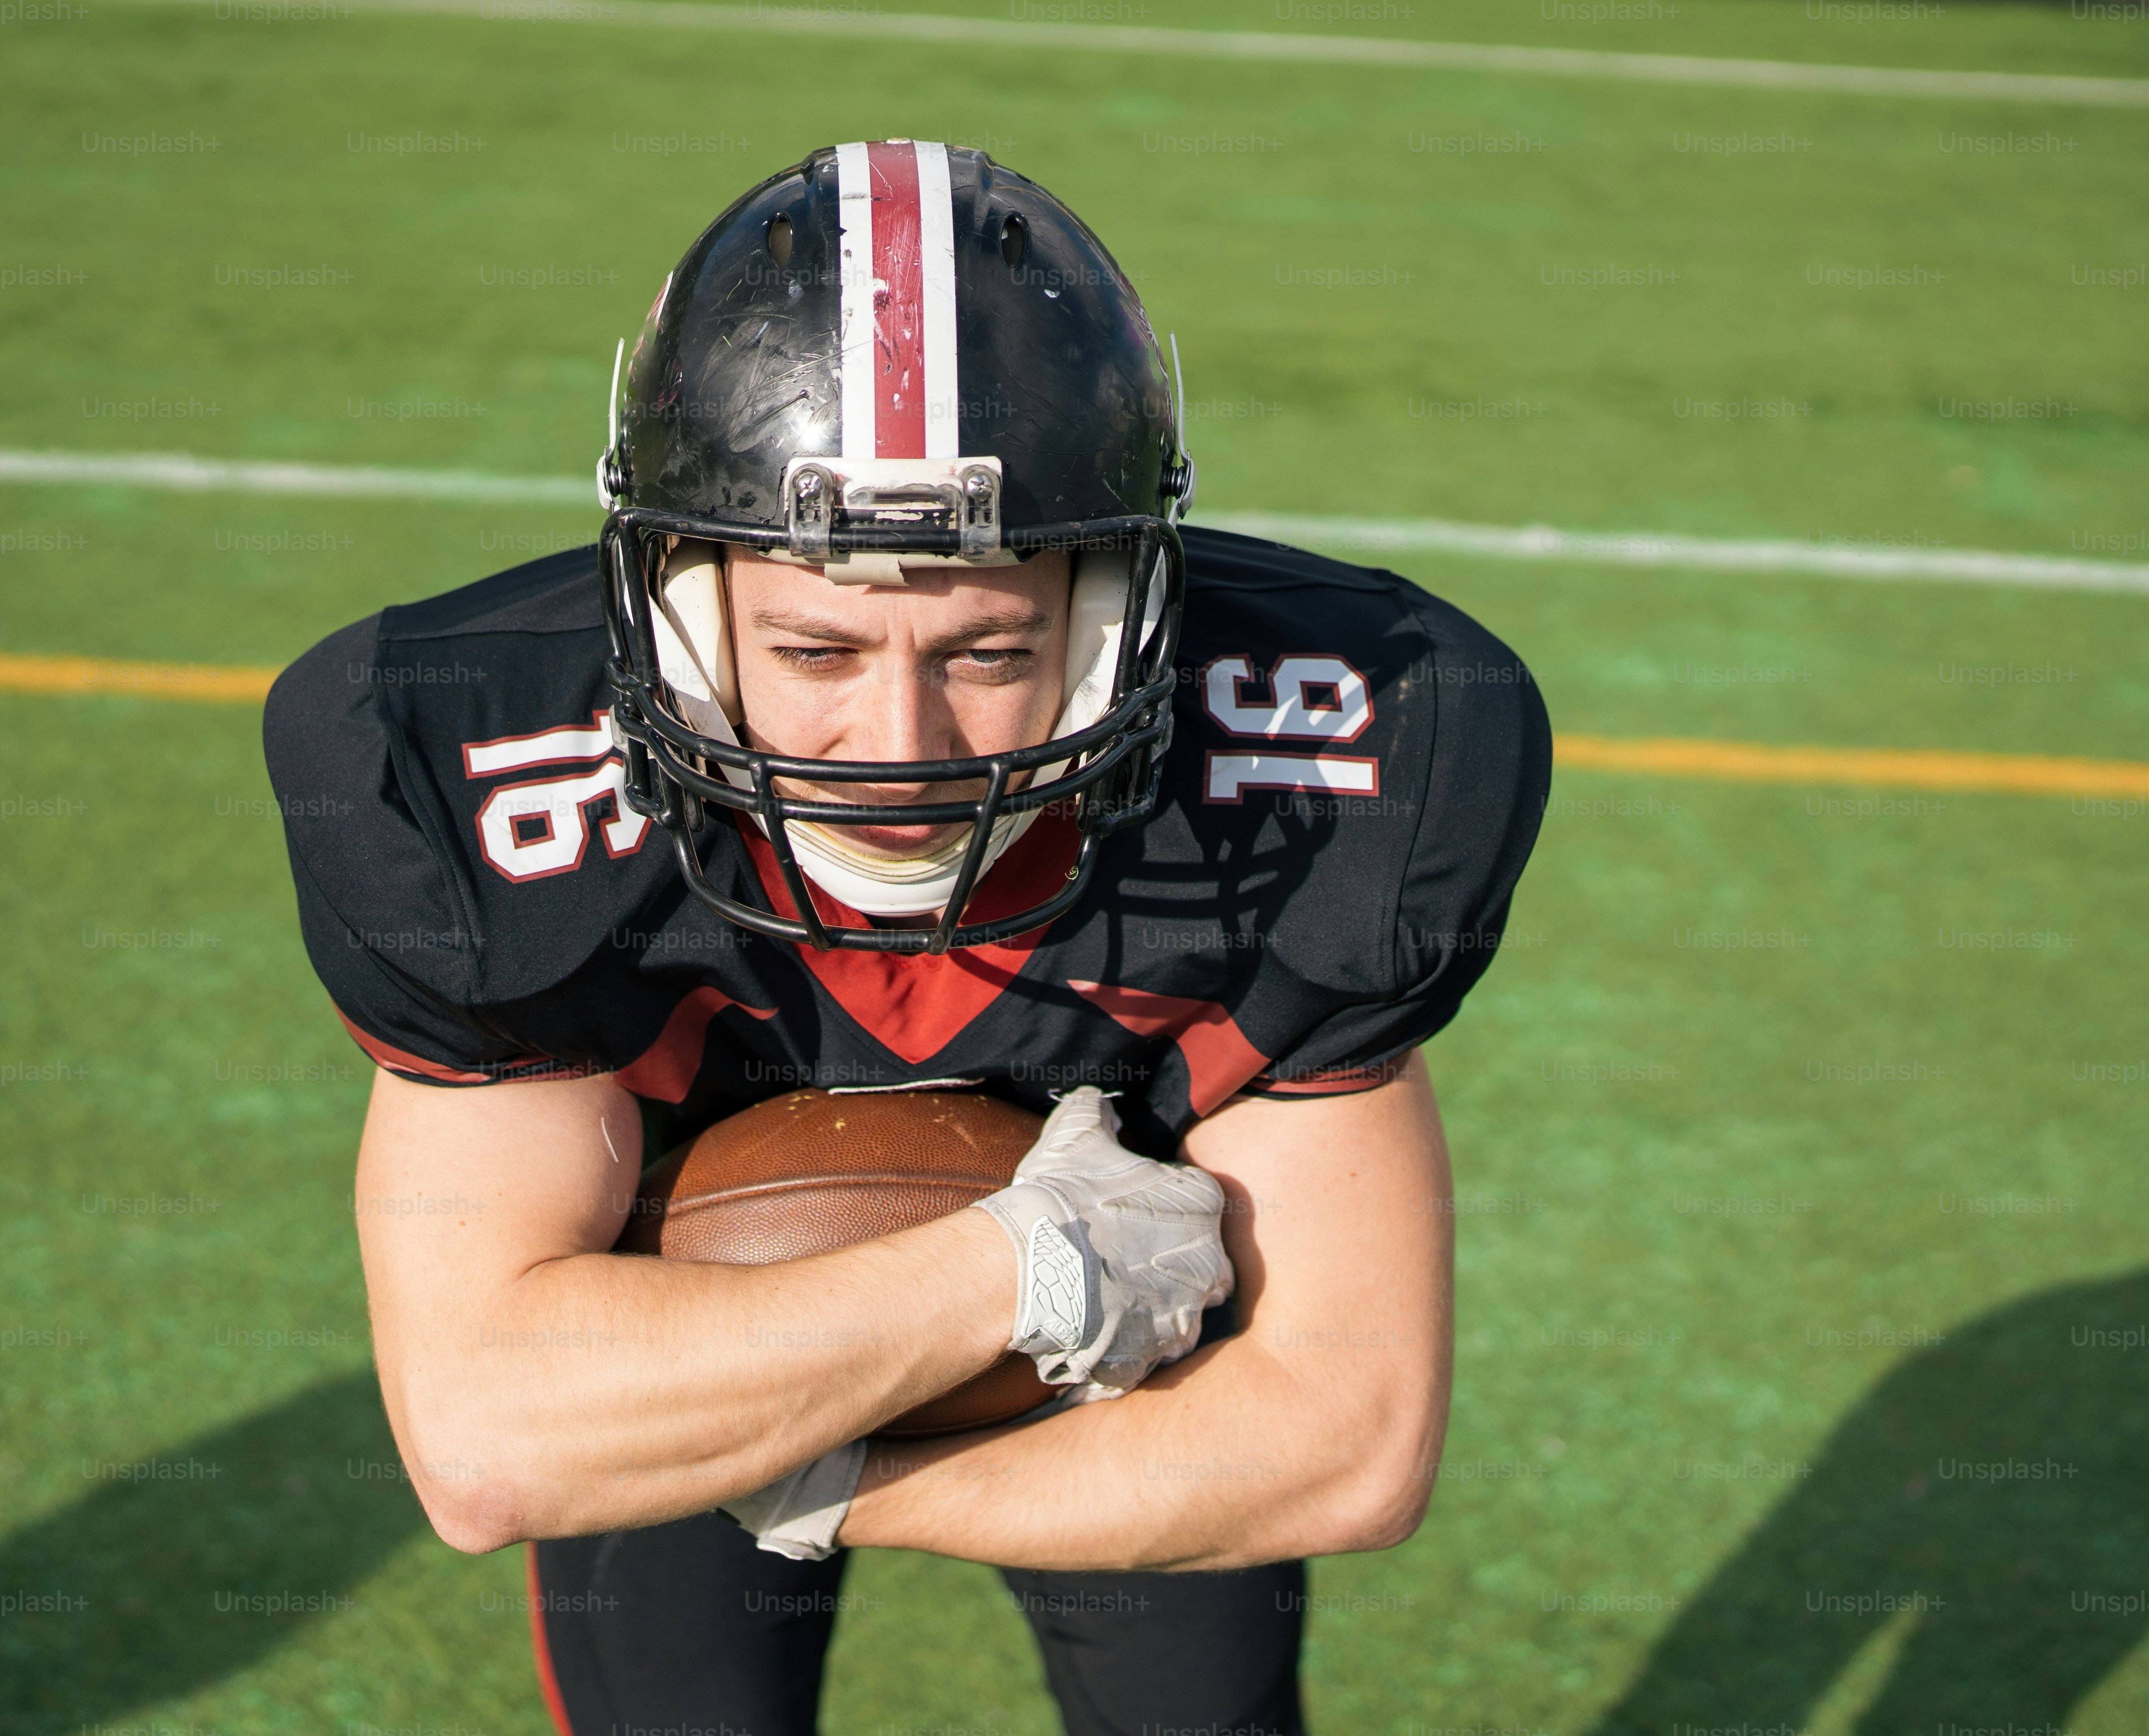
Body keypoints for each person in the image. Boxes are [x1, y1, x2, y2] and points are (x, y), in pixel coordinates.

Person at [265, 140, 1549, 1736]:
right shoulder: (465, 769)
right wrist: (1016, 1269)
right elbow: (493, 1442)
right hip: (783, 1319)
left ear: (1112, 609)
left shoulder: (1350, 746)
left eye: (990, 646)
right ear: (678, 602)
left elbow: (1344, 1441)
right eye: (813, 644)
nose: (896, 741)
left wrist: (811, 1461)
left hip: (1052, 1369)